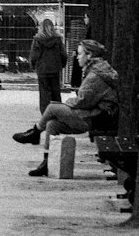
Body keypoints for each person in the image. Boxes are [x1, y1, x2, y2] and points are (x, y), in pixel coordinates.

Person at [13, 39, 119, 177]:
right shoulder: (96, 71)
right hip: (94, 115)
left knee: (52, 108)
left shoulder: (95, 75)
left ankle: (35, 133)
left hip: (95, 118)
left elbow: (83, 100)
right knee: (52, 124)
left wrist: (68, 102)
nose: (77, 57)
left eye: (80, 54)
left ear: (90, 55)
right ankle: (46, 163)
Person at [28, 17, 69, 111]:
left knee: (44, 93)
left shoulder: (38, 40)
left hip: (42, 69)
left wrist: (33, 65)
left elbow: (34, 55)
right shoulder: (57, 40)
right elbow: (63, 54)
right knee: (56, 92)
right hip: (55, 68)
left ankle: (45, 113)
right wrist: (62, 64)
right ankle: (58, 112)